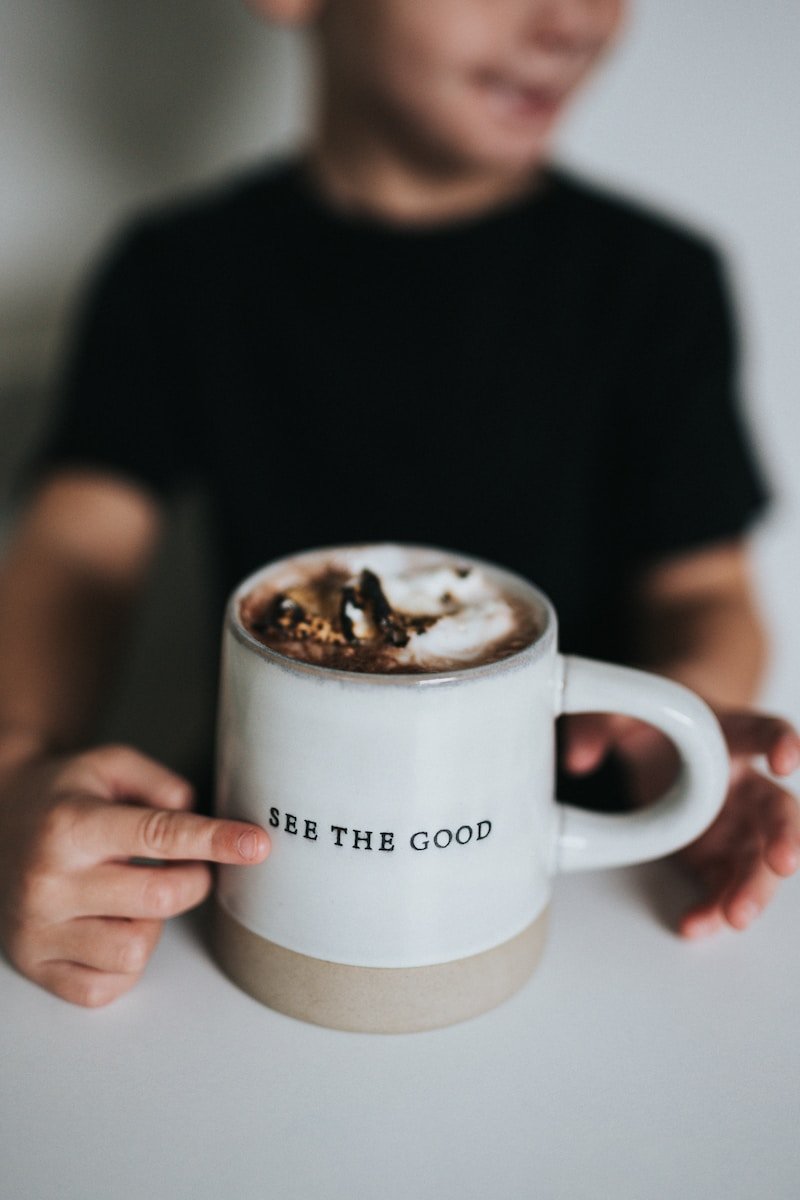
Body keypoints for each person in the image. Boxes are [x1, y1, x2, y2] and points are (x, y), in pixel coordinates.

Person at [1, 0, 798, 1009]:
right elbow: (79, 552)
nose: (572, 22)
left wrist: (671, 729)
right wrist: (17, 771)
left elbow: (704, 591)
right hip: (253, 867)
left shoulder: (654, 284)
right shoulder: (178, 272)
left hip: (580, 879)